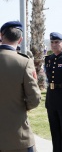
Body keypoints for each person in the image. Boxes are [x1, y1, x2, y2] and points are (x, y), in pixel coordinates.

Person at [0, 21, 41, 152]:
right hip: (17, 138)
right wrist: (19, 107)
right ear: (20, 40)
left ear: (1, 35)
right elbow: (34, 98)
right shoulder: (24, 62)